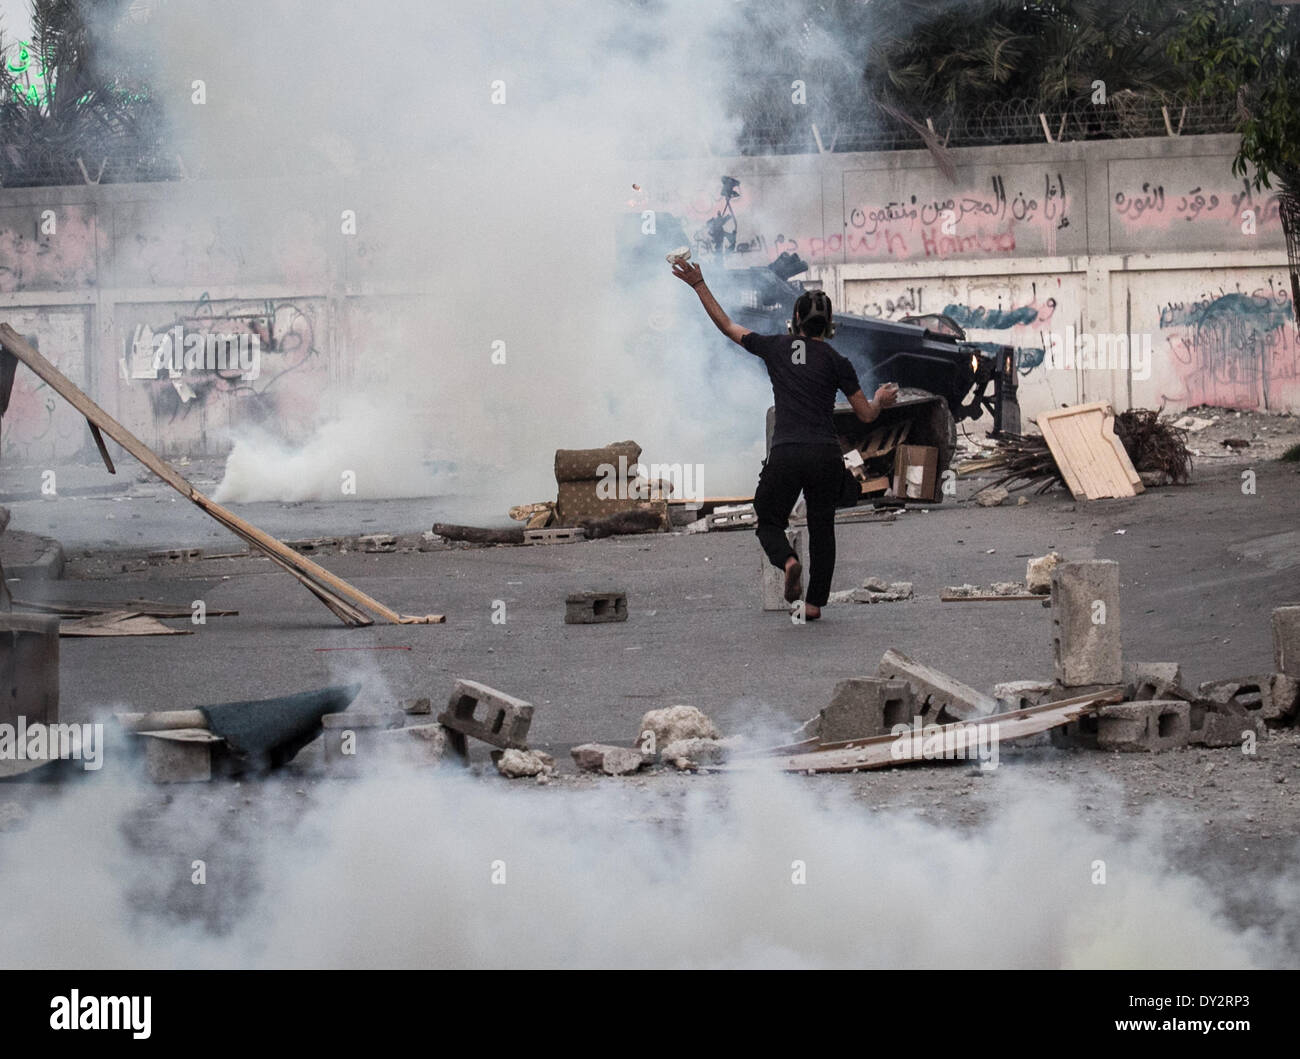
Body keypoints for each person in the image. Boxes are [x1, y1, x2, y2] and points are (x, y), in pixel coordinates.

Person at [672, 258, 898, 620]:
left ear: (794, 321)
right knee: (822, 529)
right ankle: (812, 606)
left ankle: (788, 560)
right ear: (829, 326)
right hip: (825, 455)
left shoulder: (775, 346)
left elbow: (728, 325)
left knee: (769, 520)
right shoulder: (838, 361)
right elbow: (867, 415)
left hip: (786, 452)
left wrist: (699, 284)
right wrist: (881, 401)